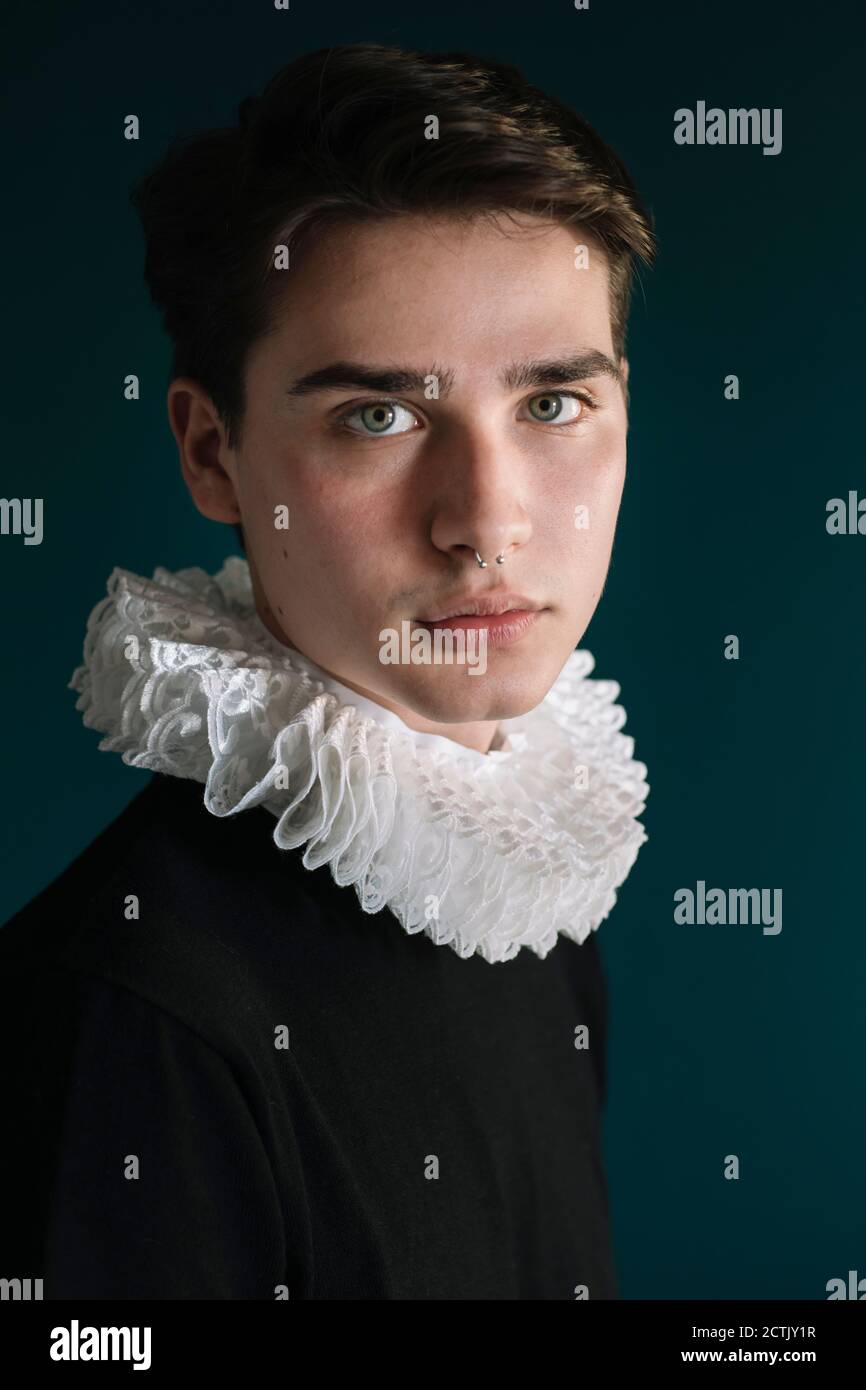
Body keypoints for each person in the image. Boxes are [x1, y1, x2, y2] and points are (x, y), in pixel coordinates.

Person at [0, 41, 655, 1299]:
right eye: (378, 415)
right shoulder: (143, 1019)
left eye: (552, 403)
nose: (485, 521)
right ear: (211, 453)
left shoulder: (527, 890)